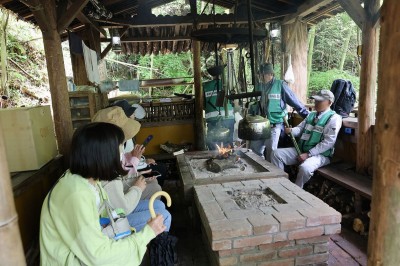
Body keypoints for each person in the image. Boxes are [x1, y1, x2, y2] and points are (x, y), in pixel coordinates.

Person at [39, 122, 166, 265]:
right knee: (162, 217)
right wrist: (147, 233)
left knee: (159, 212)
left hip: (91, 248)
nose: (122, 155)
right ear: (103, 155)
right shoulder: (76, 194)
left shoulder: (89, 181)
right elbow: (99, 257)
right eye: (119, 150)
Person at [92, 106, 171, 232]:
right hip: (107, 221)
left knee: (159, 205)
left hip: (110, 212)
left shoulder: (101, 155)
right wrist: (137, 187)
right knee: (164, 215)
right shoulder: (106, 164)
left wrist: (138, 175)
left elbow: (120, 175)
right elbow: (121, 206)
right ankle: (151, 243)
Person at [271, 89, 342, 188]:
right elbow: (300, 129)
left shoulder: (334, 118)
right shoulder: (311, 115)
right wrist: (291, 130)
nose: (316, 103)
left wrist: (309, 154)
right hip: (301, 150)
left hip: (320, 155)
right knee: (276, 154)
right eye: (315, 100)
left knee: (305, 168)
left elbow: (328, 142)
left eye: (320, 101)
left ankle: (297, 189)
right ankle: (282, 183)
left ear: (330, 102)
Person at [93, 106, 162, 198]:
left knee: (153, 182)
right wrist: (136, 159)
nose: (134, 116)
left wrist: (132, 156)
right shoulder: (106, 150)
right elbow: (120, 172)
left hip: (120, 181)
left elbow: (121, 162)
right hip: (115, 188)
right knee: (156, 189)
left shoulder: (115, 145)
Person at [249, 63, 309, 161]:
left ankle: (271, 175)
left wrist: (307, 115)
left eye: (263, 74)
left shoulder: (280, 85)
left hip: (274, 126)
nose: (261, 76)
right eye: (260, 74)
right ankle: (259, 173)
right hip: (258, 126)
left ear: (270, 74)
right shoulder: (258, 87)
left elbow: (294, 101)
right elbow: (252, 104)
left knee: (271, 152)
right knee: (254, 151)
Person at [112, 99, 168, 186]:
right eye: (132, 113)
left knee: (159, 170)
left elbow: (128, 158)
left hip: (133, 168)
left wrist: (144, 160)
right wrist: (141, 163)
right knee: (160, 170)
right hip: (130, 173)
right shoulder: (120, 139)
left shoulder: (127, 133)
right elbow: (126, 167)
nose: (134, 115)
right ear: (125, 117)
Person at [203, 78, 235, 150]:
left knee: (213, 142)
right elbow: (235, 102)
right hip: (228, 118)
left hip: (212, 119)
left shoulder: (205, 86)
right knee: (227, 142)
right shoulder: (229, 83)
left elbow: (202, 104)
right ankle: (228, 157)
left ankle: (215, 157)